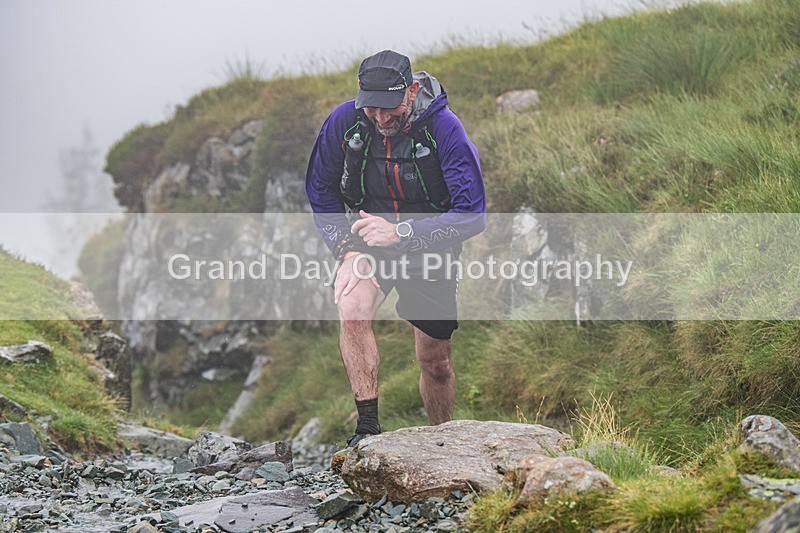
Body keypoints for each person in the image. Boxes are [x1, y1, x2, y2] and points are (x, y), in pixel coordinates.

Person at [305, 50, 486, 447]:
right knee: (351, 304)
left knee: (434, 362)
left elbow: (472, 215)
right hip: (367, 236)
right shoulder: (344, 122)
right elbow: (321, 191)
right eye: (372, 108)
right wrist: (347, 250)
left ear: (412, 90)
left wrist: (402, 232)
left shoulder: (444, 127)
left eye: (391, 108)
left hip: (429, 242)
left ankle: (443, 443)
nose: (382, 120)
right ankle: (367, 430)